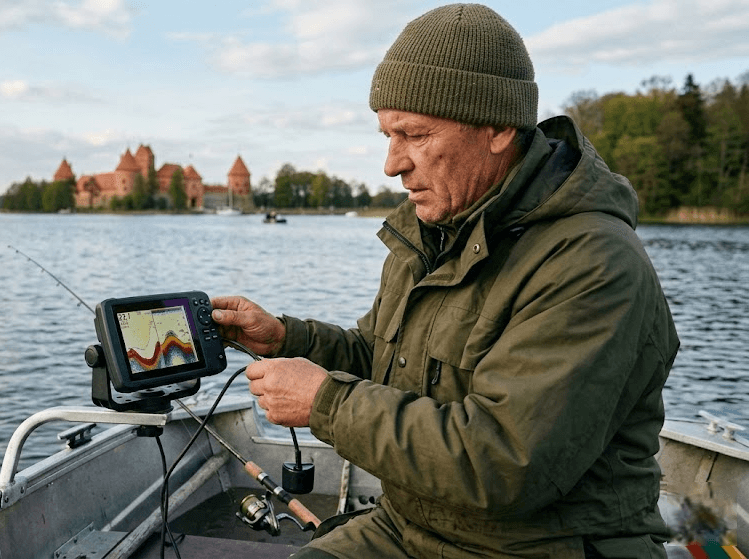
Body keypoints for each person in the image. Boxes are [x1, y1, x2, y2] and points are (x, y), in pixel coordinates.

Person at [211, 4, 679, 558]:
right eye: (387, 134)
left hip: (537, 546)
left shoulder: (593, 263)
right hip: (408, 527)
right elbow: (381, 360)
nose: (391, 164)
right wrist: (288, 339)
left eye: (413, 134)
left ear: (499, 127)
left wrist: (324, 402)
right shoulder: (429, 233)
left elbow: (503, 463)